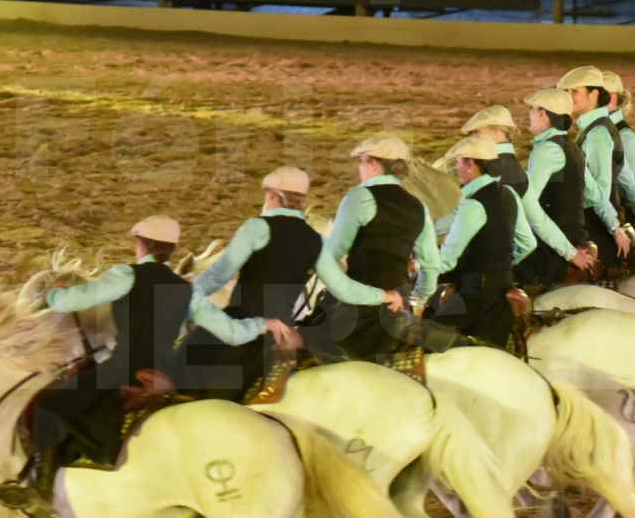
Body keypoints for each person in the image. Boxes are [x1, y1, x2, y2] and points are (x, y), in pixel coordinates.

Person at [0, 214, 193, 513]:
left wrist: (54, 293)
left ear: (142, 245)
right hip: (164, 373)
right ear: (170, 250)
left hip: (123, 368)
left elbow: (76, 300)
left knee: (48, 406)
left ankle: (41, 490)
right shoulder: (185, 287)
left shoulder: (127, 276)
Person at [183, 166, 397, 401]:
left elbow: (217, 276)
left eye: (267, 194)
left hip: (243, 326)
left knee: (173, 376)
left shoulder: (256, 227)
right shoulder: (313, 239)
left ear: (273, 196)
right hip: (283, 338)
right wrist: (385, 296)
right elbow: (343, 288)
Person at [299, 134, 440, 362]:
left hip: (357, 308)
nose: (359, 168)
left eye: (361, 161)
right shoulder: (419, 206)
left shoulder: (359, 197)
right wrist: (417, 298)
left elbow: (333, 254)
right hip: (400, 307)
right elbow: (431, 265)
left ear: (374, 164)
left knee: (303, 345)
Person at [425, 136, 535, 349]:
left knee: (424, 338)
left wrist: (419, 270)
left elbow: (447, 260)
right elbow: (528, 243)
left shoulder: (473, 204)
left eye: (459, 161)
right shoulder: (508, 194)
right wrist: (500, 266)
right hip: (502, 289)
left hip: (474, 296)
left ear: (471, 165)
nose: (456, 167)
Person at [515, 87, 597, 289]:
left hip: (553, 251)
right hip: (575, 236)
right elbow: (594, 196)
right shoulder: (573, 149)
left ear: (543, 114)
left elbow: (529, 207)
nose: (530, 115)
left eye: (533, 110)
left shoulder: (547, 150)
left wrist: (569, 253)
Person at [556, 65, 631, 265]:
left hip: (594, 225)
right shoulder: (595, 128)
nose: (568, 97)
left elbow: (599, 191)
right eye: (565, 92)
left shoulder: (596, 134)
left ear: (594, 94)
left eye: (574, 92)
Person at [600, 70, 635, 235]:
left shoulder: (624, 136)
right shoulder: (601, 129)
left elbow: (631, 183)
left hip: (616, 218)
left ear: (613, 97)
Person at [460, 105, 525, 193]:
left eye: (476, 132)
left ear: (496, 132)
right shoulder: (508, 161)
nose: (472, 138)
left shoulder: (496, 163)